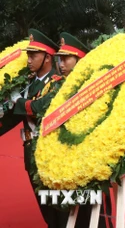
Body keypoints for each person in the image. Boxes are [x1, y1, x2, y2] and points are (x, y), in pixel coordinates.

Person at [1, 29, 66, 227]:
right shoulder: (28, 83)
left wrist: (18, 101)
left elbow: (39, 109)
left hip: (52, 154)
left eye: (33, 55)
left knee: (60, 207)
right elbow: (12, 116)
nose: (28, 60)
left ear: (47, 58)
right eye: (28, 55)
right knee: (46, 209)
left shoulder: (58, 82)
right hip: (31, 152)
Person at [55, 32, 114, 228]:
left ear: (80, 61)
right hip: (64, 163)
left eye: (66, 59)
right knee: (70, 215)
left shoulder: (95, 88)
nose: (61, 64)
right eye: (60, 59)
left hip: (90, 163)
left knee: (96, 216)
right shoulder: (57, 88)